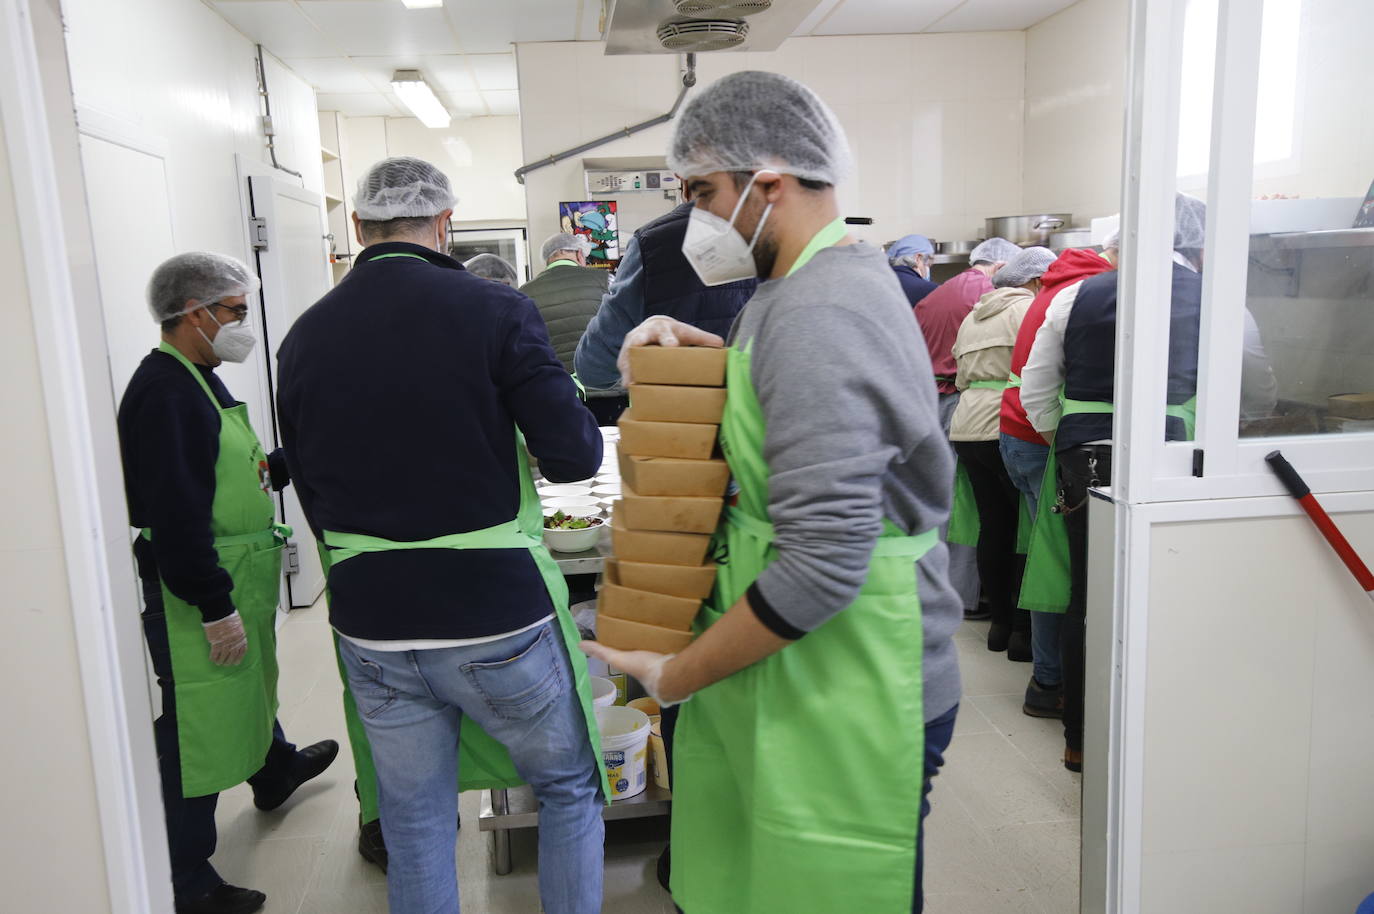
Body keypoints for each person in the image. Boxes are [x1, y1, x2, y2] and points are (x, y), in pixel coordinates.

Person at [580, 71, 963, 914]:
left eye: (702, 193)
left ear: (770, 183)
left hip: (860, 667)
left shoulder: (821, 309)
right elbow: (805, 410)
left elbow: (825, 563)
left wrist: (676, 674)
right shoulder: (795, 289)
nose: (693, 220)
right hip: (812, 661)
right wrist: (699, 360)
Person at [275, 156, 607, 914]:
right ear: (445, 224)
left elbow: (308, 479)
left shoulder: (303, 337)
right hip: (496, 617)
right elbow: (574, 454)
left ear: (357, 227)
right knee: (566, 786)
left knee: (416, 819)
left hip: (370, 622)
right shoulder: (493, 309)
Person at [118, 253, 338, 914]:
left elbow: (222, 466)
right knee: (198, 724)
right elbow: (177, 511)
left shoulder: (199, 377)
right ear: (195, 313)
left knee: (248, 682)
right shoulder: (164, 391)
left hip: (236, 573)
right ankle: (184, 879)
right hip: (198, 587)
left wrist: (280, 459)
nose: (243, 325)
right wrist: (213, 604)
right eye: (235, 313)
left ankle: (274, 770)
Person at [1020, 193, 1208, 772]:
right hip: (1173, 453)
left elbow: (1034, 387)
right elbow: (1252, 381)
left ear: (1121, 242)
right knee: (1168, 590)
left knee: (1087, 597)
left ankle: (1080, 739)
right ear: (1192, 244)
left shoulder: (1077, 295)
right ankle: (1163, 740)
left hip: (1085, 455)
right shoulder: (1216, 297)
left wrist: (1073, 433)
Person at [998, 243, 1117, 719]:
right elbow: (1041, 385)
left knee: (1042, 556)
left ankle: (1042, 670)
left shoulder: (1047, 293)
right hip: (1041, 437)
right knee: (1059, 569)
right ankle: (1051, 680)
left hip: (1014, 433)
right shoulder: (1082, 297)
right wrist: (1057, 441)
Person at [949, 246, 1057, 661]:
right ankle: (1024, 633)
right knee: (1026, 529)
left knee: (992, 525)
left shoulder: (973, 317)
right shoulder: (1028, 310)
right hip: (1005, 423)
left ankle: (1000, 625)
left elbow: (960, 376)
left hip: (966, 426)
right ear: (1033, 281)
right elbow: (1040, 368)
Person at [573, 198, 757, 425]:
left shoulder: (653, 243)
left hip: (679, 433)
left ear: (683, 176)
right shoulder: (792, 232)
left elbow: (593, 367)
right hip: (772, 427)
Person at [914, 235, 1021, 620]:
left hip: (930, 400)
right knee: (971, 508)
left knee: (942, 501)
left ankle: (940, 586)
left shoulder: (938, 293)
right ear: (1002, 267)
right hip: (966, 401)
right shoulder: (988, 293)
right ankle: (968, 595)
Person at [518, 232, 609, 372]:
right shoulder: (606, 280)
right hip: (606, 382)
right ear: (579, 254)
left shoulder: (524, 293)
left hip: (557, 386)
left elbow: (524, 346)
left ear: (547, 260)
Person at [889, 233, 938, 307]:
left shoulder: (881, 283)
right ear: (918, 258)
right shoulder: (930, 290)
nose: (928, 271)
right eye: (928, 265)